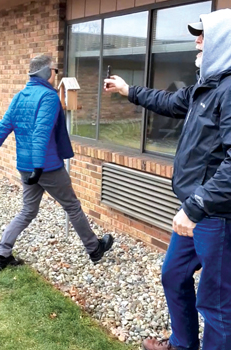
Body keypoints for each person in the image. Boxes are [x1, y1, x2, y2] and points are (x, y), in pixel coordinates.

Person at [104, 9, 231, 350]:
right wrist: (128, 90)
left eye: (204, 35)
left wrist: (197, 206)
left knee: (217, 305)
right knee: (173, 275)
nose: (197, 40)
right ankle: (182, 344)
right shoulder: (206, 87)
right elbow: (168, 101)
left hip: (216, 216)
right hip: (195, 212)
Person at [0, 54, 114, 271]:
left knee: (28, 210)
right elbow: (40, 133)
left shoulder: (20, 96)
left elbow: (3, 127)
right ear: (47, 73)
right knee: (72, 206)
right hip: (47, 167)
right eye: (55, 71)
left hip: (26, 167)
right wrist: (39, 166)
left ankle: (1, 254)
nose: (55, 74)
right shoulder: (49, 97)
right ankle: (94, 249)